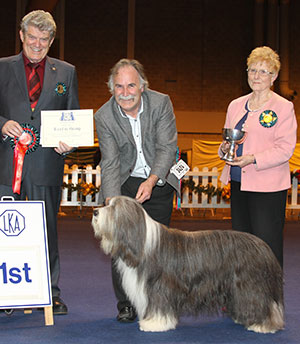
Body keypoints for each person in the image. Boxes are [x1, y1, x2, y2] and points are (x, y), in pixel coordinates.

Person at [0, 10, 80, 314]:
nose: (37, 44)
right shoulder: (2, 68)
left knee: (47, 229)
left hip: (47, 165)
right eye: (32, 37)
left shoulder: (66, 72)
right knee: (5, 230)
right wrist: (2, 123)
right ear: (21, 35)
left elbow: (72, 114)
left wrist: (69, 143)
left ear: (52, 41)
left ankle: (50, 291)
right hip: (7, 166)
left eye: (44, 40)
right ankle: (6, 293)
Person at [94, 58, 179, 322]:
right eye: (119, 86)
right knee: (121, 246)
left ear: (142, 86)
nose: (125, 92)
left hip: (159, 178)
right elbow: (109, 161)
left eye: (131, 85)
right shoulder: (103, 116)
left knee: (157, 248)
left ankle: (158, 302)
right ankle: (127, 304)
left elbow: (167, 148)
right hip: (125, 180)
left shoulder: (161, 103)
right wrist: (111, 203)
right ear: (112, 89)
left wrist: (152, 180)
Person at [219, 46, 297, 268]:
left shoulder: (283, 107)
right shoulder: (235, 105)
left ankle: (270, 299)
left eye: (263, 72)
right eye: (252, 70)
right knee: (241, 244)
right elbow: (227, 139)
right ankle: (243, 296)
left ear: (274, 77)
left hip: (268, 188)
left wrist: (253, 158)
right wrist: (224, 150)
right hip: (238, 182)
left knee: (266, 245)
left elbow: (285, 149)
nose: (257, 76)